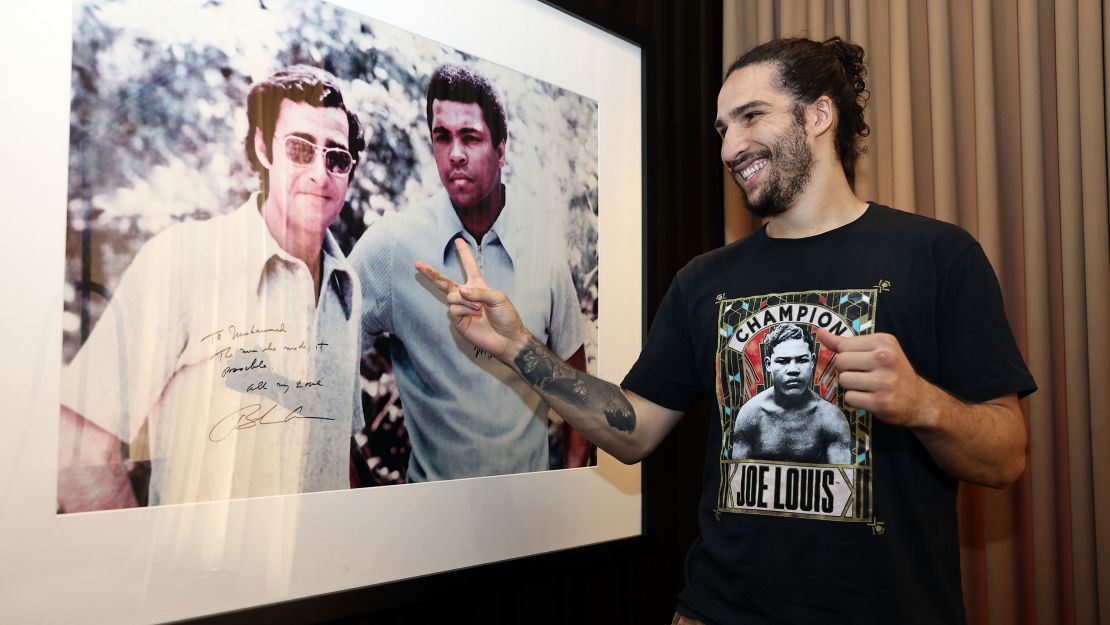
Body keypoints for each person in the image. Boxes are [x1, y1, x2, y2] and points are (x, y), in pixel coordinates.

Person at [415, 37, 1036, 624]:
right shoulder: (703, 280)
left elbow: (1006, 455)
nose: (729, 148)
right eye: (722, 129)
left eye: (750, 117)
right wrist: (519, 347)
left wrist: (923, 403)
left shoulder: (936, 256)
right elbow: (631, 430)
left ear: (819, 116)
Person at [58, 65, 367, 511]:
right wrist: (138, 568)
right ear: (264, 149)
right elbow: (79, 444)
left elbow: (338, 450)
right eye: (300, 148)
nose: (320, 172)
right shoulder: (185, 260)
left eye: (336, 157)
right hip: (199, 577)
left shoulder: (347, 289)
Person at [349, 64, 591, 482]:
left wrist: (569, 489)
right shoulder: (393, 246)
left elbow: (577, 383)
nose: (455, 153)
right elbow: (324, 358)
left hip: (532, 522)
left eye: (471, 137)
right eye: (442, 137)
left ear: (501, 149)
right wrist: (353, 486)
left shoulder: (543, 246)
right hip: (430, 525)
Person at [731, 322, 850, 464]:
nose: (793, 369)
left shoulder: (830, 417)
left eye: (802, 360)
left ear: (812, 361)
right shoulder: (750, 415)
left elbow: (840, 480)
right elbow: (738, 476)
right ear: (768, 364)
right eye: (783, 361)